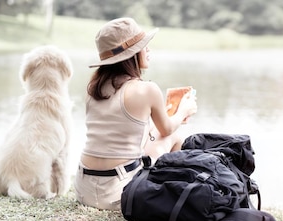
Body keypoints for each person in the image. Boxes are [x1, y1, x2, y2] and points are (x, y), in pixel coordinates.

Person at [74, 17, 197, 210]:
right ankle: (179, 192)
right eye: (144, 45)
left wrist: (160, 115)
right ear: (131, 54)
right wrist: (183, 111)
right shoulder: (146, 89)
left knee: (153, 139)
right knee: (174, 136)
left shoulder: (93, 89)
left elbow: (124, 131)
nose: (148, 50)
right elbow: (166, 130)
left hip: (83, 189)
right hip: (119, 193)